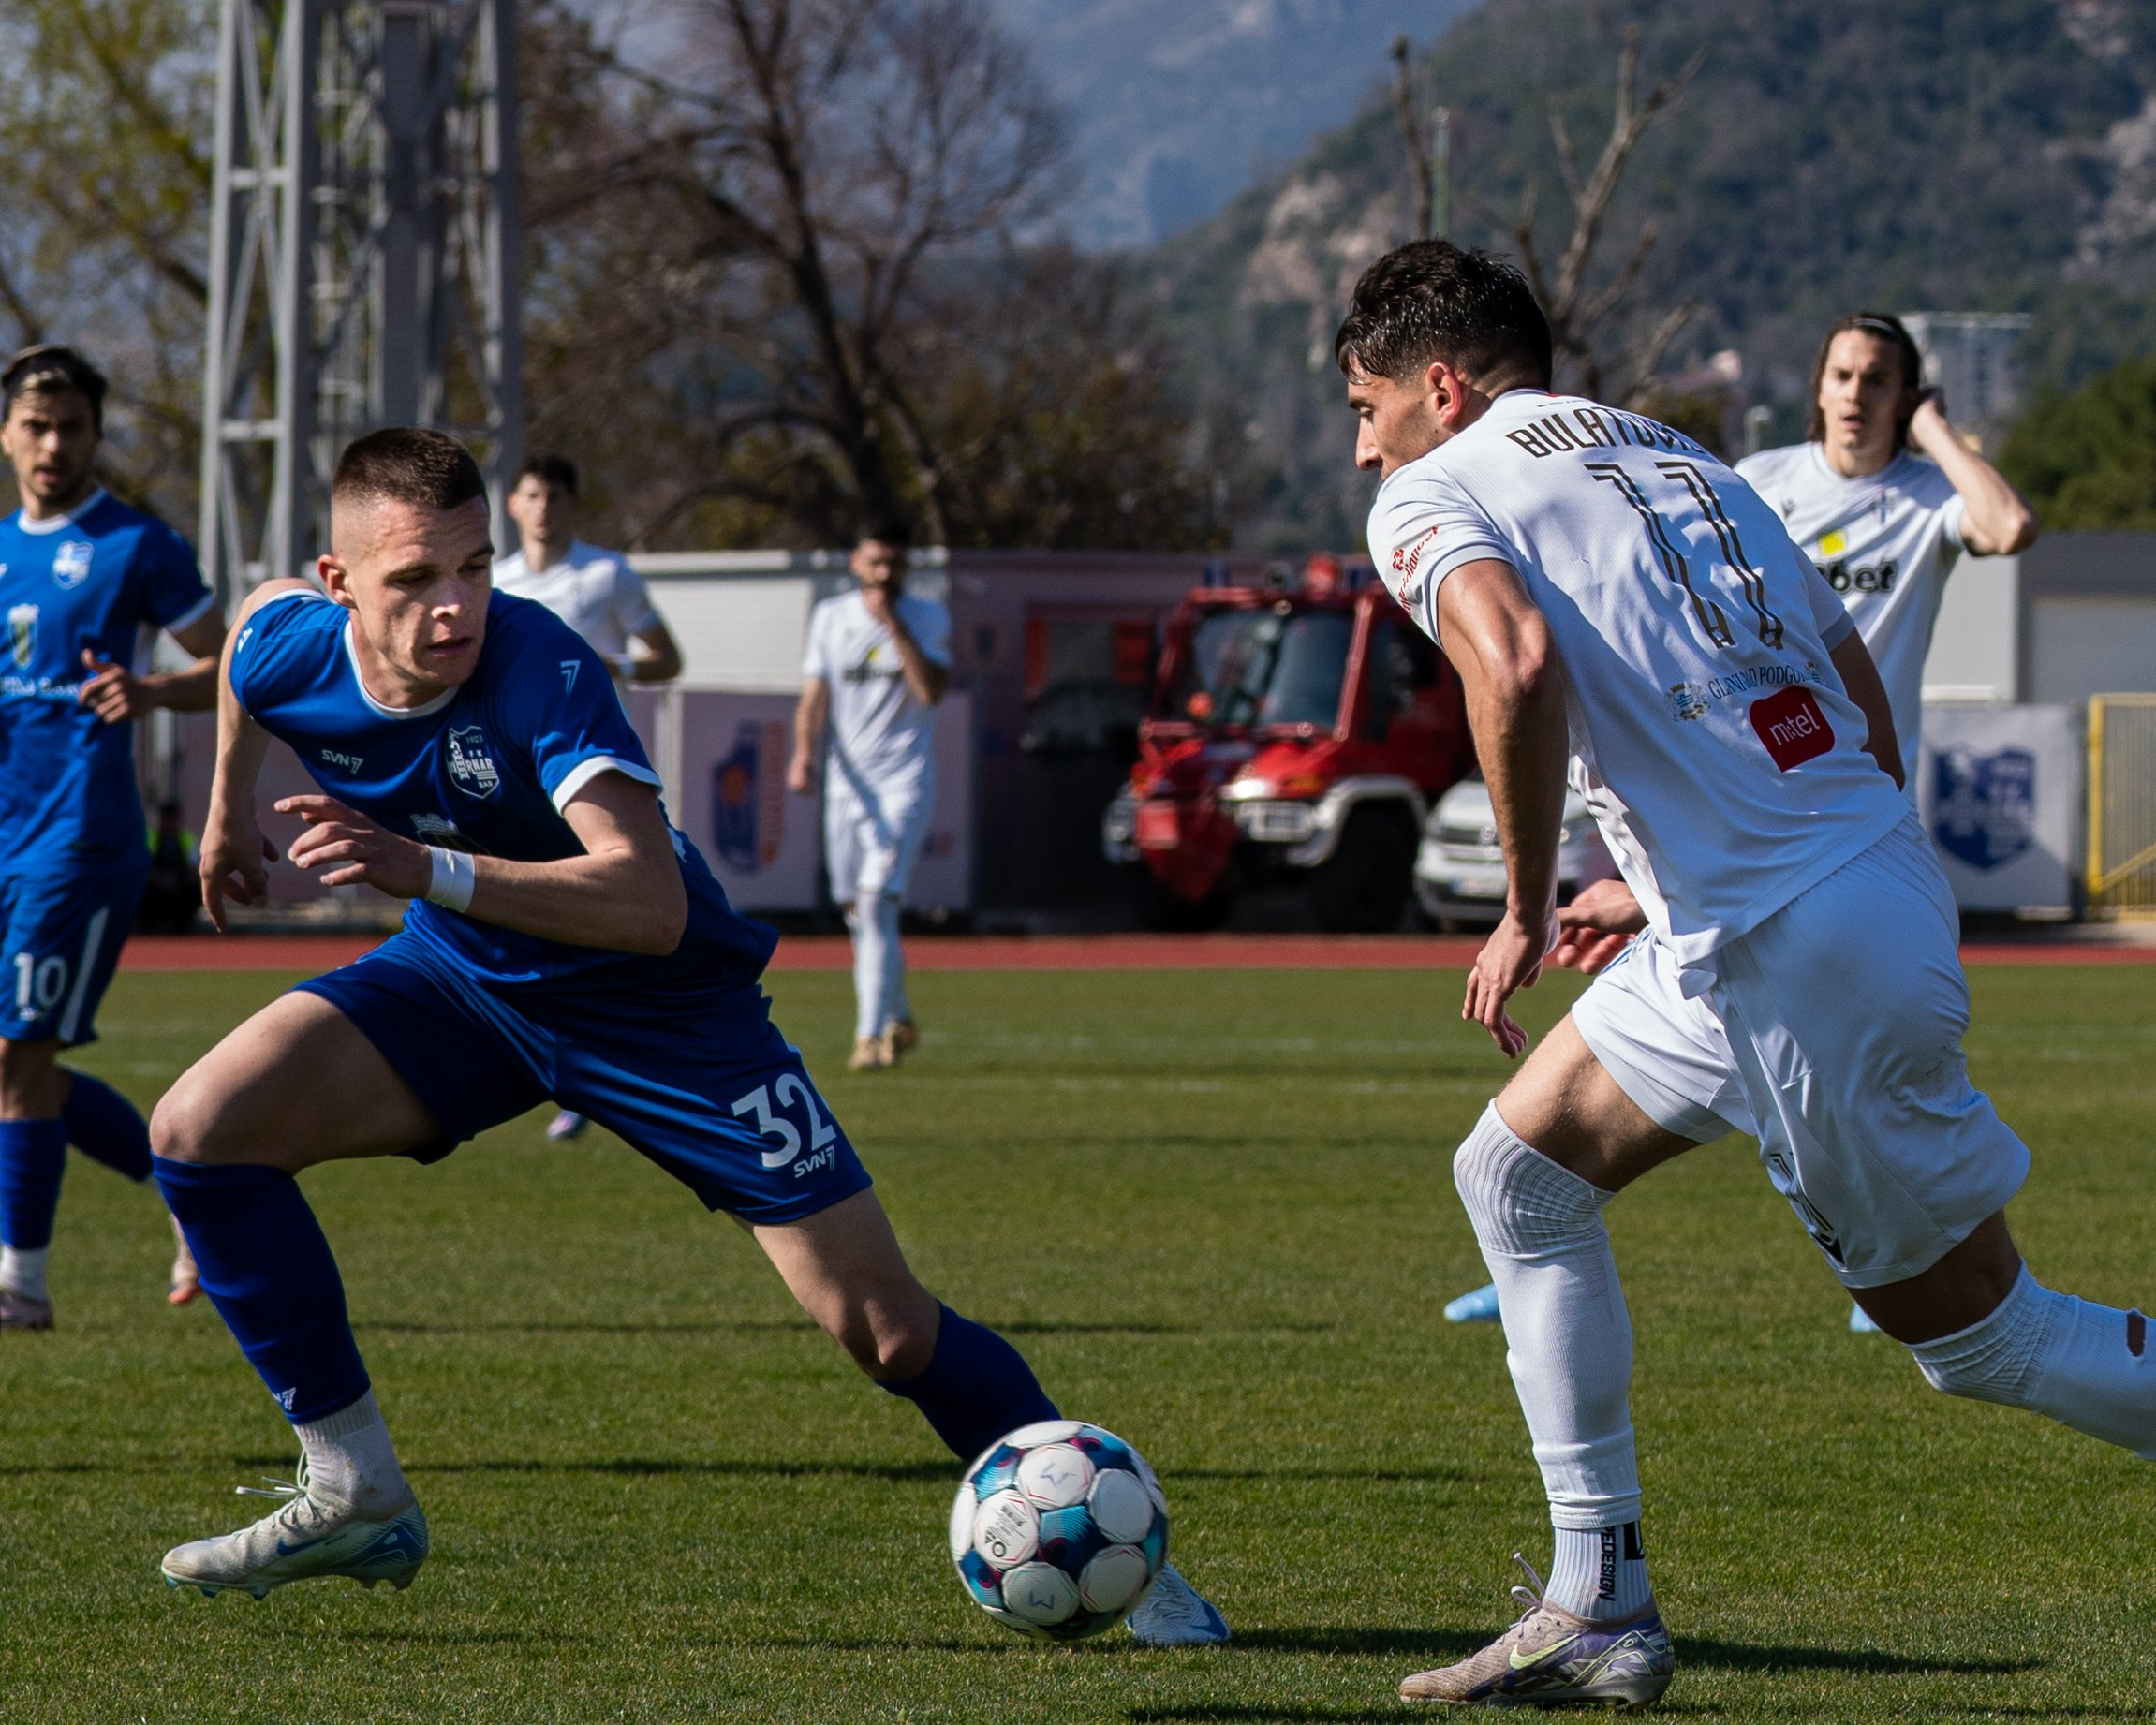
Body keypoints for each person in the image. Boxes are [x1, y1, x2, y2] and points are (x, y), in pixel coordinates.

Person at [146, 429, 1228, 1646]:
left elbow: (647, 902)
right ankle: (353, 1489)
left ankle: (1126, 1560)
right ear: (339, 583)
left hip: (663, 1010)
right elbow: (248, 640)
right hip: (467, 984)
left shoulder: (537, 665)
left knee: (882, 1327)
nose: (454, 607)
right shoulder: (294, 643)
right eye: (412, 581)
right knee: (200, 1131)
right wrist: (224, 817)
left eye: (474, 567)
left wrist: (421, 865)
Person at [1341, 243, 2153, 1708]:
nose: (1361, 439)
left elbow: (1511, 668)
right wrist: (1680, 879)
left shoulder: (1430, 488)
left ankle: (1601, 1600)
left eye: (1366, 401)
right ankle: (1597, 1599)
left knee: (1984, 1336)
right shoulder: (1687, 456)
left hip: (1785, 940)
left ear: (1439, 387)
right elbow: (1846, 689)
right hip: (1782, 908)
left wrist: (1521, 904)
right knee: (1516, 1175)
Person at [1441, 311, 2043, 1332]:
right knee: (1544, 1152)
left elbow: (2009, 530)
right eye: (1842, 373)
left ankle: (1901, 1259)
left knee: (1836, 1070)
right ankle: (1539, 1249)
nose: (1856, 393)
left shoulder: (1926, 497)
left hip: (1847, 822)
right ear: (1816, 387)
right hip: (1739, 824)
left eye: (1881, 380)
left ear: (1908, 396)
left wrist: (1942, 436)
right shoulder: (1741, 480)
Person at [0, 345, 226, 1327]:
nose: (54, 445)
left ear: (96, 436)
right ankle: (193, 1197)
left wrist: (153, 691)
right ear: (8, 433)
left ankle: (22, 1285)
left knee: (19, 1055)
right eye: (36, 427)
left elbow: (239, 669)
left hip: (82, 838)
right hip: (8, 832)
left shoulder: (137, 545)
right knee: (16, 1064)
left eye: (73, 428)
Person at [495, 450, 685, 1144]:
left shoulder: (606, 575)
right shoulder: (495, 582)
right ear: (514, 505)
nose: (543, 507)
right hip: (513, 773)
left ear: (573, 505)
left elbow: (668, 657)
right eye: (532, 495)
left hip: (592, 770)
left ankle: (599, 1069)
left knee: (608, 909)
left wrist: (617, 664)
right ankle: (567, 1064)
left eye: (554, 496)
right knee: (530, 914)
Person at [787, 520, 948, 1072]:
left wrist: (893, 626)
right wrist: (804, 753)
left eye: (895, 564)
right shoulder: (831, 618)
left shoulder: (928, 616)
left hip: (902, 783)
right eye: (875, 563)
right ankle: (899, 1015)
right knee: (860, 912)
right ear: (856, 562)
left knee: (878, 901)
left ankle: (869, 1034)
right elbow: (814, 696)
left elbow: (930, 691)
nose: (884, 574)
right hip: (848, 789)